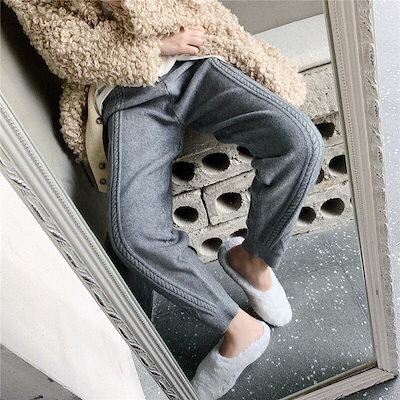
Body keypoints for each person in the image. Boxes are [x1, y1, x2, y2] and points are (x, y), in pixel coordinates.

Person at [4, 1, 325, 398]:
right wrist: (153, 47)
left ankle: (252, 261)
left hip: (196, 60)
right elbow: (64, 48)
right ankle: (239, 329)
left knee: (299, 142)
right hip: (124, 91)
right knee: (134, 236)